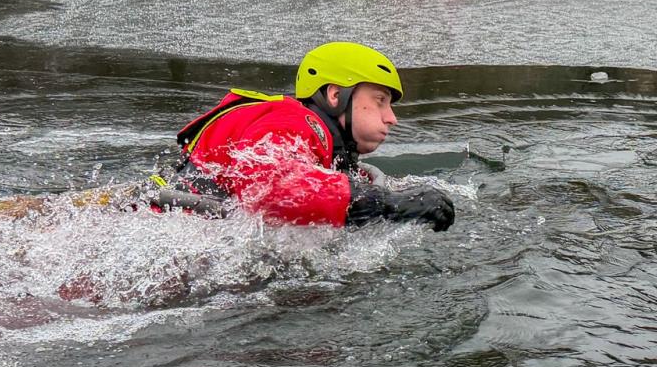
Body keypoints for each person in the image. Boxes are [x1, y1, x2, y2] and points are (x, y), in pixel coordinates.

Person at [154, 42, 455, 231]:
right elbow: (273, 188)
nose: (391, 117)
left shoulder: (318, 140)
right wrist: (387, 202)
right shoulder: (295, 121)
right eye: (380, 101)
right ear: (336, 95)